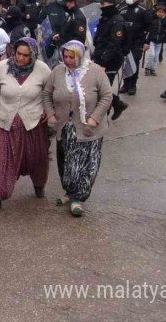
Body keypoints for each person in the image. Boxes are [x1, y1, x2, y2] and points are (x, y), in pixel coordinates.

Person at [0, 37, 51, 213]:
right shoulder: (2, 67)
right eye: (18, 54)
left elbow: (50, 93)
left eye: (26, 55)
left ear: (33, 55)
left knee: (36, 160)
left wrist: (47, 111)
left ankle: (39, 184)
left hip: (32, 123)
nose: (20, 59)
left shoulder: (42, 69)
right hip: (3, 122)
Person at [43, 41, 113, 217]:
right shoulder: (58, 72)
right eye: (65, 56)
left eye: (72, 57)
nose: (68, 61)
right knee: (66, 163)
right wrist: (51, 114)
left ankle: (77, 198)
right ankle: (69, 192)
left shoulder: (95, 71)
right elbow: (46, 93)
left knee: (87, 165)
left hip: (90, 129)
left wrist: (94, 119)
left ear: (80, 56)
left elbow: (106, 96)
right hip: (65, 127)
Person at [91, 0, 129, 120]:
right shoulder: (106, 18)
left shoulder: (117, 20)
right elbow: (100, 39)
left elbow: (114, 44)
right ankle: (117, 104)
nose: (100, 6)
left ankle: (104, 113)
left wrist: (103, 63)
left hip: (111, 61)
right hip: (100, 57)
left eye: (103, 4)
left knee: (103, 90)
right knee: (98, 88)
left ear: (111, 4)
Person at [118, 0, 152, 96]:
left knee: (134, 63)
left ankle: (133, 85)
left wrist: (147, 41)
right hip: (124, 42)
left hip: (137, 41)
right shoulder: (122, 9)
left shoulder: (143, 10)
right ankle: (126, 83)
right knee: (125, 64)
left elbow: (149, 27)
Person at [143, 4, 166, 76]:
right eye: (159, 12)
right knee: (151, 54)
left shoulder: (164, 21)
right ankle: (147, 68)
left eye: (162, 12)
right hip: (152, 40)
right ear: (156, 12)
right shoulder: (152, 20)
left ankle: (153, 68)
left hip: (159, 41)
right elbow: (148, 30)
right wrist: (146, 41)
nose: (160, 13)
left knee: (156, 56)